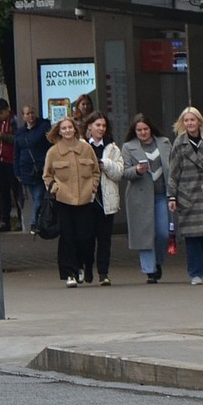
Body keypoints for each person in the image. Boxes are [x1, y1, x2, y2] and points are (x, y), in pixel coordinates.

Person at [168, 106, 203, 285]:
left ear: (199, 121)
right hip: (187, 196)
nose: (189, 123)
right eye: (186, 120)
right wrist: (172, 197)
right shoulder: (179, 143)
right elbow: (173, 172)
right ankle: (195, 273)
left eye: (192, 120)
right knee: (192, 238)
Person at [42, 116, 99, 287]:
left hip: (84, 199)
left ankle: (81, 266)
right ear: (59, 131)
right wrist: (54, 188)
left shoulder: (86, 149)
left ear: (75, 129)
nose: (67, 131)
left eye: (70, 127)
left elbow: (96, 171)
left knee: (84, 237)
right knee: (67, 237)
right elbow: (47, 175)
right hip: (64, 200)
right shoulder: (53, 152)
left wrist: (93, 187)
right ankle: (69, 273)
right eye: (64, 128)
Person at [122, 114, 172, 283]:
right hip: (140, 196)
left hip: (161, 195)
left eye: (145, 129)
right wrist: (136, 170)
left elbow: (172, 167)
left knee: (163, 233)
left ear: (151, 129)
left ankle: (157, 262)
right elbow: (124, 172)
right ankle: (149, 270)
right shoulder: (128, 147)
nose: (143, 133)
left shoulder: (164, 143)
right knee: (144, 234)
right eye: (139, 130)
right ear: (134, 131)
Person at [82, 112, 122, 285]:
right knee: (87, 238)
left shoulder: (112, 148)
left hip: (107, 199)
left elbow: (119, 172)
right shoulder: (82, 146)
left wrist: (105, 164)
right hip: (87, 199)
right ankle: (87, 268)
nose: (101, 129)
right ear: (89, 126)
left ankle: (103, 272)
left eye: (103, 126)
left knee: (104, 239)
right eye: (97, 125)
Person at [13, 104, 51, 234]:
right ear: (23, 116)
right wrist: (17, 171)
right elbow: (16, 153)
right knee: (35, 198)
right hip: (26, 170)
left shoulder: (43, 127)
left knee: (39, 196)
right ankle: (40, 222)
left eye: (32, 113)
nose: (31, 116)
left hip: (40, 168)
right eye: (27, 114)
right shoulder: (20, 133)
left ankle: (34, 223)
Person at [0, 100, 19, 231]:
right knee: (3, 192)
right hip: (1, 160)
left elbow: (17, 139)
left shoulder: (14, 120)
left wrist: (3, 136)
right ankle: (5, 220)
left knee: (17, 191)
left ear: (7, 110)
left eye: (1, 113)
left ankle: (20, 219)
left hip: (12, 161)